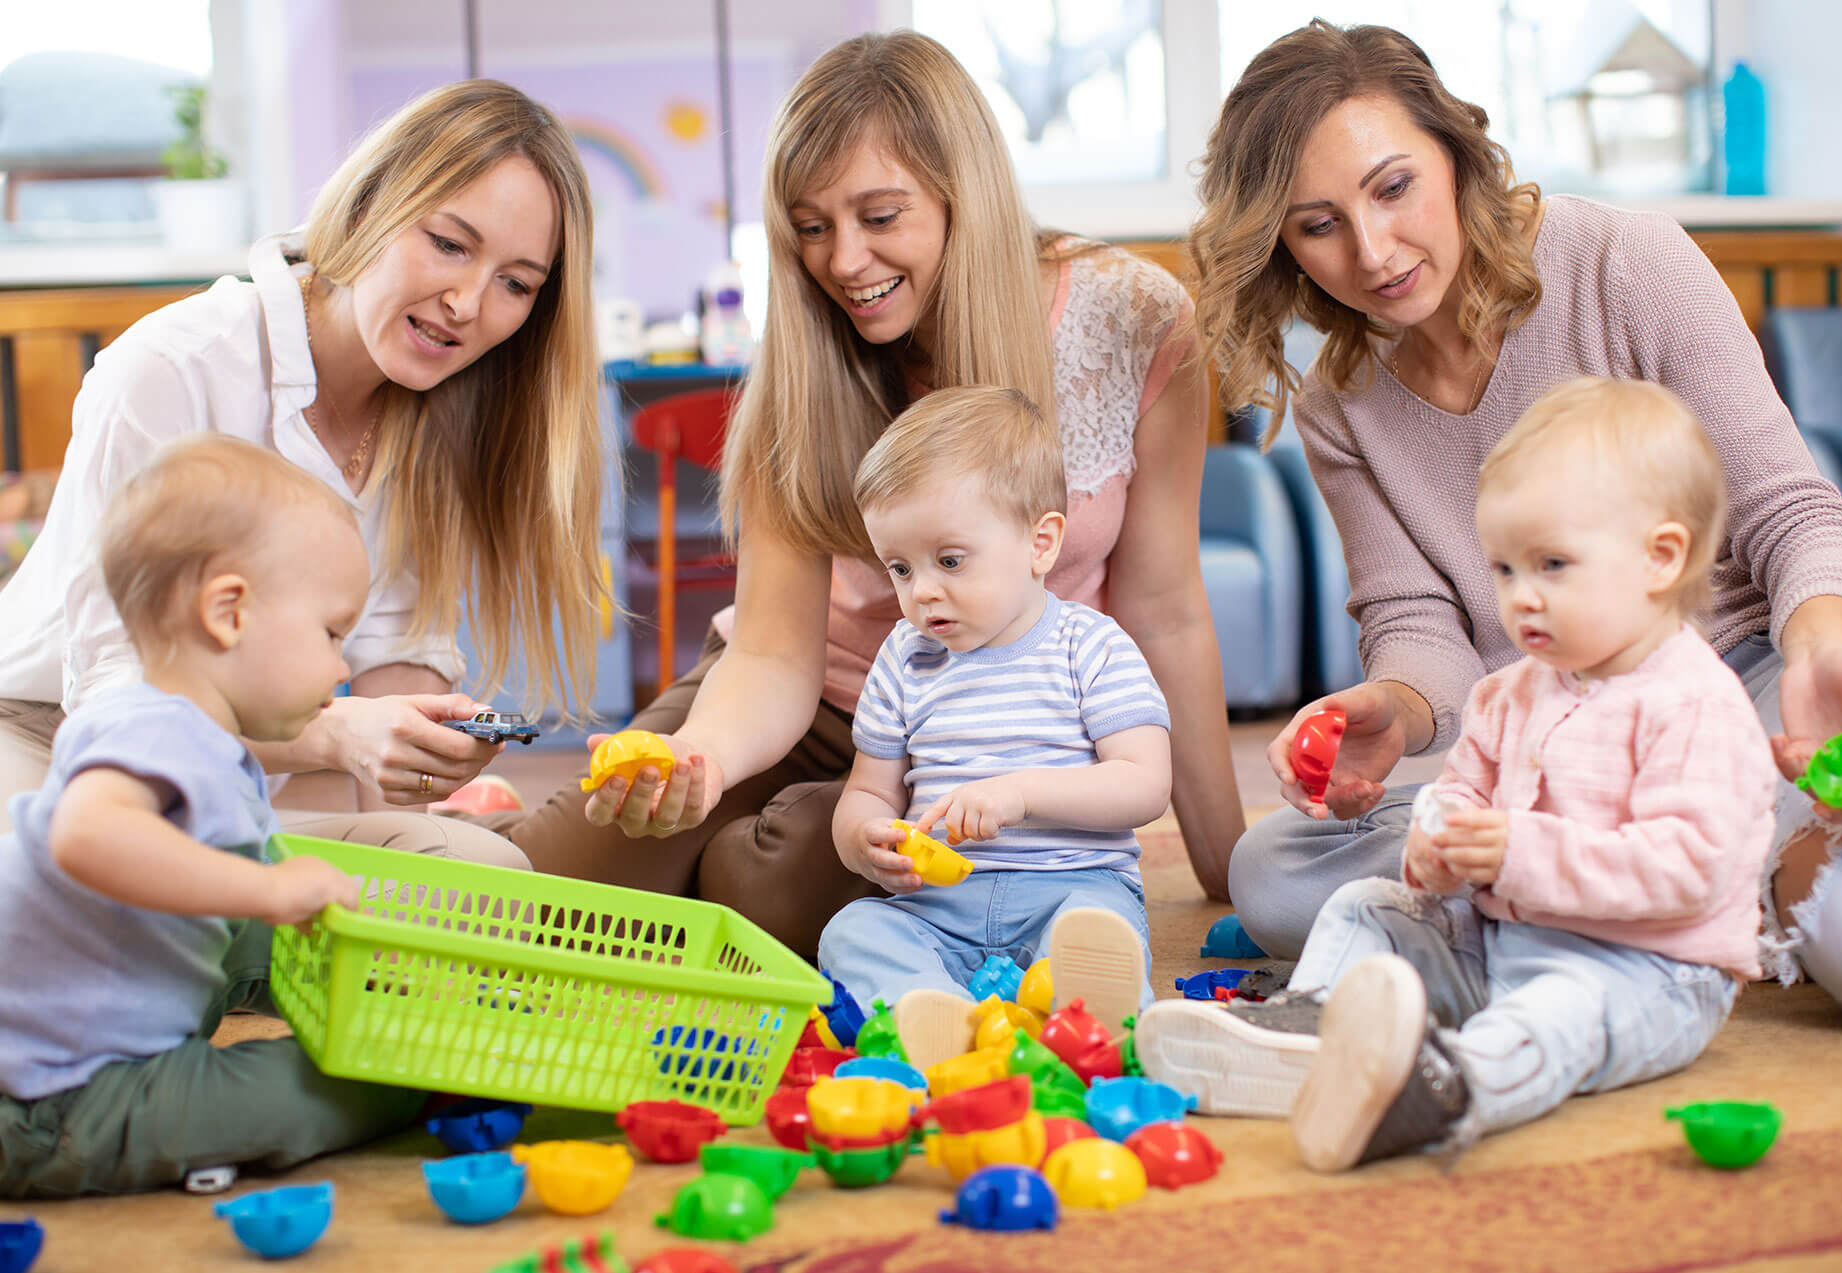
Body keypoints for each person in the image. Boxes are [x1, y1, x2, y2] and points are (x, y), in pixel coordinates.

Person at [460, 31, 1242, 959]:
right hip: (801, 703)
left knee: (768, 888)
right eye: (813, 225)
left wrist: (1229, 871)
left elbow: (1167, 611)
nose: (843, 261)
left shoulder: (1137, 319)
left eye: (880, 215)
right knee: (530, 907)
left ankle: (754, 849)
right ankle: (507, 830)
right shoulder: (806, 355)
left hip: (993, 726)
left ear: (965, 196)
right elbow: (772, 657)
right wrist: (699, 759)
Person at [1192, 21, 1842, 1022]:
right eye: (1316, 225)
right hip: (1548, 742)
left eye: (1392, 187)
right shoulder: (1338, 402)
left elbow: (1794, 515)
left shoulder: (1624, 262)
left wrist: (1822, 647)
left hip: (1733, 695)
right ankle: (1666, 882)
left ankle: (1633, 889)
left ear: (1454, 152)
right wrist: (1389, 711)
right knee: (1272, 872)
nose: (1371, 250)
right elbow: (1418, 627)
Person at [1140, 379, 1774, 1168]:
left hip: (1646, 972)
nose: (1521, 598)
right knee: (1368, 903)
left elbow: (1688, 869)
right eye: (1504, 569)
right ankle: (1308, 1026)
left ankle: (1442, 1087)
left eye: (1552, 565)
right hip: (1502, 938)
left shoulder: (1694, 704)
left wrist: (1514, 851)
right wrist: (1436, 852)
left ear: (1661, 557)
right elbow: (1460, 798)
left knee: (1555, 1017)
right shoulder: (1509, 692)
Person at [0, 80, 606, 868]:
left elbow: (394, 668)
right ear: (369, 206)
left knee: (490, 875)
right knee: (67, 907)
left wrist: (420, 755)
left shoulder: (439, 417)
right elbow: (113, 701)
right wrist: (333, 734)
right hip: (58, 743)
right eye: (450, 244)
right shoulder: (175, 367)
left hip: (256, 772)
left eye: (516, 283)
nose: (467, 302)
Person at [0, 436, 426, 1197]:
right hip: (54, 1097)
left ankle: (387, 1005)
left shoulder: (200, 739)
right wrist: (264, 891)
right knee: (334, 1089)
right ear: (228, 611)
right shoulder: (152, 726)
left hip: (85, 1037)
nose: (342, 666)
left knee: (268, 927)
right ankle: (409, 1068)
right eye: (332, 633)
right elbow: (85, 833)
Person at [817, 387, 1169, 1044]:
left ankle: (1078, 1018)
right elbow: (868, 788)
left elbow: (1145, 784)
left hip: (1070, 888)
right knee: (852, 930)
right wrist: (862, 838)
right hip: (937, 906)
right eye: (899, 567)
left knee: (1096, 933)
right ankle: (943, 1017)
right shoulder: (904, 658)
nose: (922, 591)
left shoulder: (1093, 648)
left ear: (1040, 543)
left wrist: (1021, 795)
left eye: (949, 560)